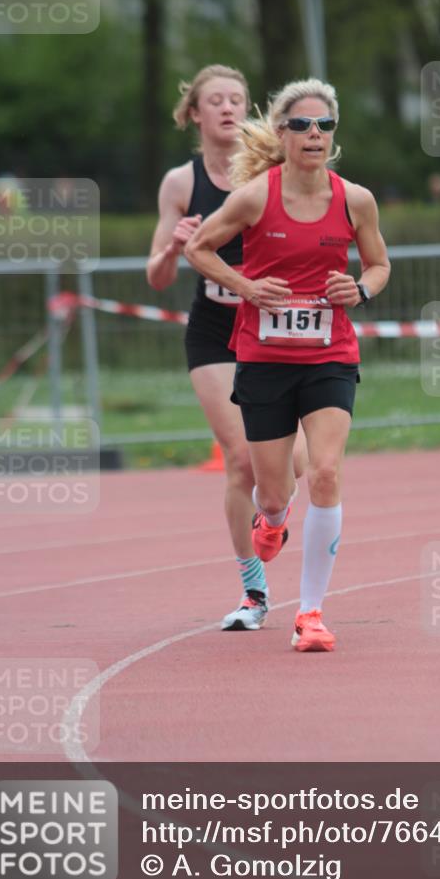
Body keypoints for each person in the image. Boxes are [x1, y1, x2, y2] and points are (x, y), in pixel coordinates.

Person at [186, 78, 390, 652]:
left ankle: (311, 613)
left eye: (324, 125)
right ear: (282, 133)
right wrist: (246, 286)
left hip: (330, 356)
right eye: (301, 125)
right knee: (273, 491)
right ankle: (270, 520)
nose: (314, 135)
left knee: (325, 472)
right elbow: (199, 248)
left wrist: (361, 289)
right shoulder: (256, 196)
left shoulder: (356, 199)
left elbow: (378, 265)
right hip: (264, 360)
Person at [146, 65, 306, 633]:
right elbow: (157, 275)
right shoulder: (180, 183)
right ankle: (254, 593)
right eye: (214, 100)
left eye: (237, 99)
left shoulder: (269, 166)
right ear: (194, 113)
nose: (228, 108)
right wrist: (175, 246)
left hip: (275, 329)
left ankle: (276, 512)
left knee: (297, 464)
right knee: (241, 460)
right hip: (216, 332)